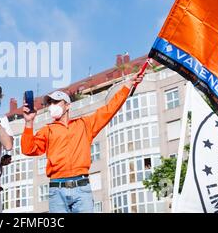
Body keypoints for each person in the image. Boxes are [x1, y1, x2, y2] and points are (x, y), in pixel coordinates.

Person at [21, 69, 145, 213]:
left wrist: (128, 84)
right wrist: (28, 123)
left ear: (67, 106)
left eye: (56, 102)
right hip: (56, 190)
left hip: (82, 188)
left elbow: (110, 109)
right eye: (49, 103)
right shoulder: (47, 130)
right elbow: (28, 149)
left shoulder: (85, 124)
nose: (51, 105)